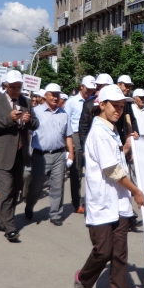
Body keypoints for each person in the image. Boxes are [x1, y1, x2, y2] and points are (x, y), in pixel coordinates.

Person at [73, 85, 144, 288]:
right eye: (114, 105)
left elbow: (116, 159)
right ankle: (83, 280)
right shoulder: (98, 132)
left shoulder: (112, 130)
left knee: (120, 256)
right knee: (103, 251)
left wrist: (125, 148)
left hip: (120, 204)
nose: (118, 109)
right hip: (103, 204)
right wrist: (136, 191)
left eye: (121, 105)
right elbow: (113, 171)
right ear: (101, 105)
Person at [0, 70, 39, 242]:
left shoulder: (26, 101)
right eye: (13, 87)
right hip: (2, 154)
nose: (17, 90)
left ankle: (2, 220)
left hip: (20, 153)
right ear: (6, 87)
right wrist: (9, 119)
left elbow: (36, 124)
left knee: (14, 190)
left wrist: (29, 120)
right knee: (7, 189)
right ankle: (10, 227)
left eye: (19, 86)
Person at [27, 83, 74, 226]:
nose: (55, 97)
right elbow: (29, 134)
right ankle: (29, 205)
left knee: (57, 185)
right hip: (41, 155)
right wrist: (27, 154)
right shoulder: (36, 112)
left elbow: (68, 135)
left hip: (59, 154)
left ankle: (55, 214)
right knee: (36, 185)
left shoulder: (63, 114)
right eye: (52, 94)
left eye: (57, 95)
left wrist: (71, 153)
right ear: (45, 95)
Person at [65, 75, 96, 213]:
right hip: (76, 135)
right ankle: (77, 202)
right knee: (77, 171)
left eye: (92, 89)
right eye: (87, 89)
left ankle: (92, 200)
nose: (89, 91)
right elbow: (66, 122)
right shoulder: (71, 102)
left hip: (91, 135)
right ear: (81, 87)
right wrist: (69, 144)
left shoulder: (94, 101)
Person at [79, 74, 114, 149]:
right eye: (97, 85)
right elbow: (83, 128)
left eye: (101, 85)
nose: (97, 88)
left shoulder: (118, 104)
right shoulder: (88, 104)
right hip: (93, 146)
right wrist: (85, 148)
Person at [115, 75, 140, 146]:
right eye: (126, 86)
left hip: (124, 138)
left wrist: (135, 132)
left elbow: (132, 119)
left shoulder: (128, 102)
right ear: (118, 85)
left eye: (129, 87)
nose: (128, 89)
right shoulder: (110, 101)